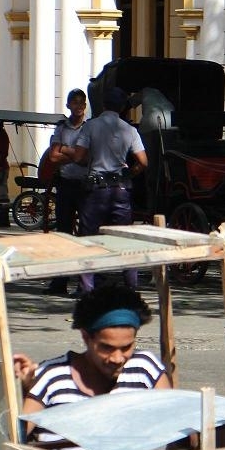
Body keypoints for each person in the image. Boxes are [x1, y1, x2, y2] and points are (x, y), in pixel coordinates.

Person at [12, 283, 172, 447]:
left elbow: (176, 421)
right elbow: (14, 437)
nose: (117, 359)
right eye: (106, 347)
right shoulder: (51, 376)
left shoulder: (144, 368)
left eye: (126, 347)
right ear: (86, 337)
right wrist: (23, 390)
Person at [70, 86, 148, 294]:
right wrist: (128, 174)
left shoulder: (90, 126)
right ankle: (131, 287)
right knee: (125, 240)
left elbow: (78, 156)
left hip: (96, 190)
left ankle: (87, 289)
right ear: (122, 107)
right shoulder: (130, 130)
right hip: (120, 190)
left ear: (103, 104)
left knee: (88, 239)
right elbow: (143, 162)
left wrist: (89, 159)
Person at [41, 88, 89, 295]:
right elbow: (53, 156)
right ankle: (60, 282)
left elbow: (88, 158)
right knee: (63, 234)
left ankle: (84, 284)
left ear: (85, 106)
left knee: (86, 234)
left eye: (81, 103)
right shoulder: (62, 128)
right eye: (74, 102)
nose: (78, 106)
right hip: (65, 184)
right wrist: (76, 154)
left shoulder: (89, 128)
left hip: (85, 186)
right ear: (68, 105)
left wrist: (65, 151)